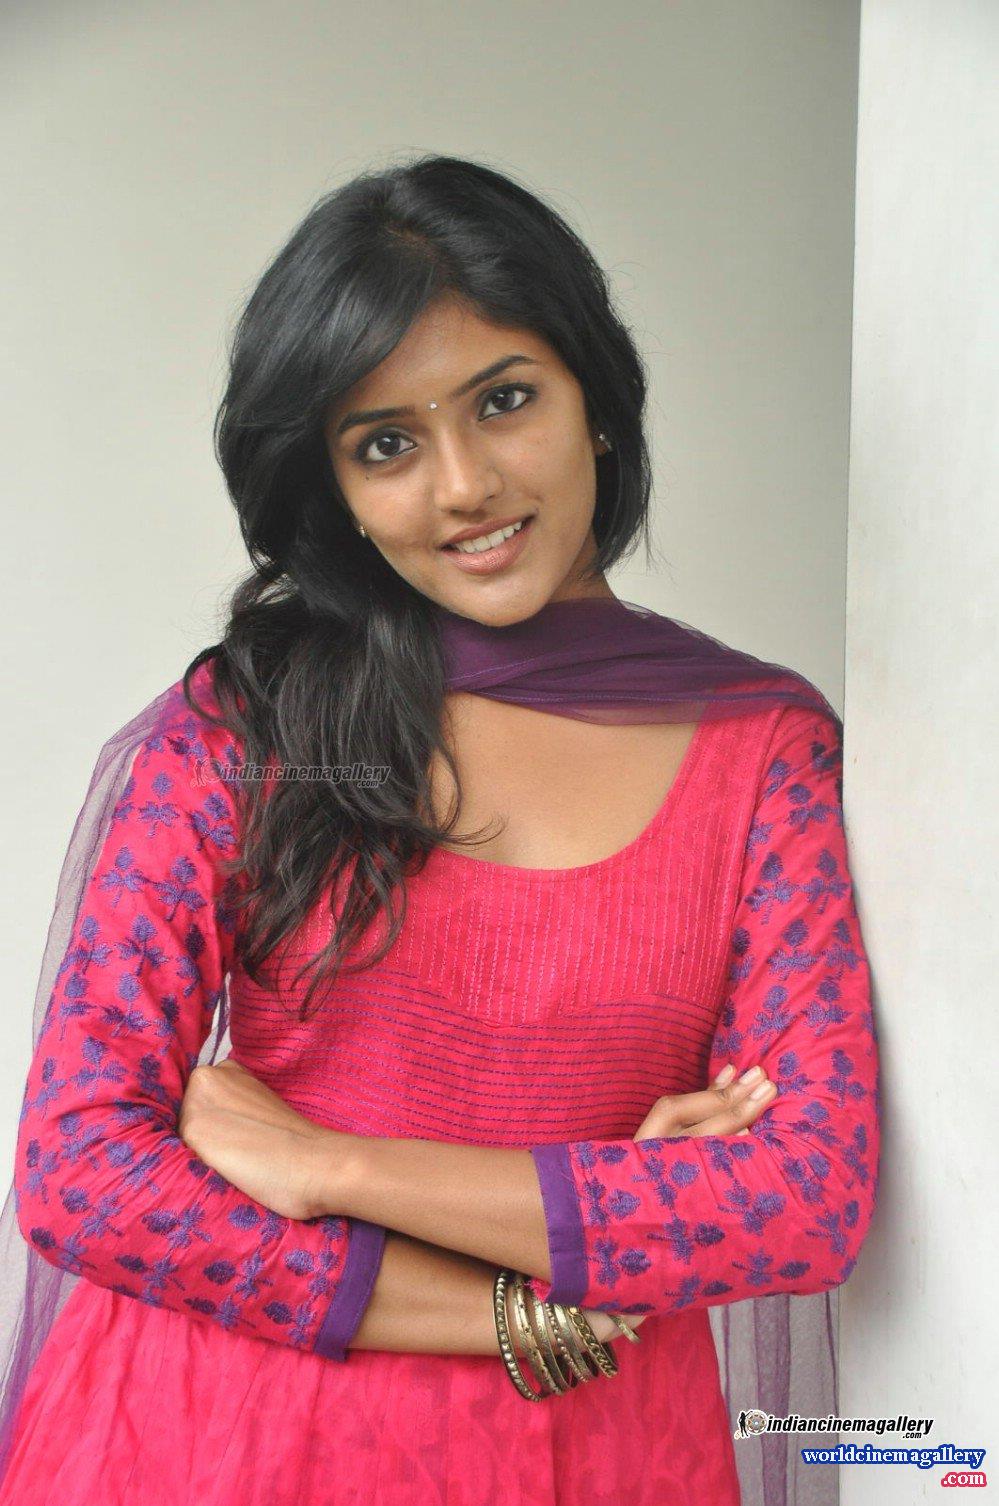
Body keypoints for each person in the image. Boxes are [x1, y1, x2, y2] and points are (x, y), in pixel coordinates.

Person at [0, 154, 879, 1506]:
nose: (463, 484)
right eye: (386, 444)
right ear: (335, 485)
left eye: (505, 400)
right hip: (219, 1441)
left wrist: (328, 1165)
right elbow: (81, 1170)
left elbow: (801, 1195)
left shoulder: (763, 751)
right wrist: (538, 1295)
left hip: (587, 1458)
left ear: (595, 400)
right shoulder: (252, 726)